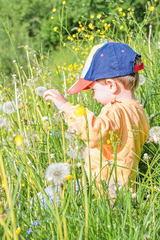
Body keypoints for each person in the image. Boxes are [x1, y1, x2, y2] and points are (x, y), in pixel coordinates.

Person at [43, 41, 150, 200]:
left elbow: (95, 132)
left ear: (112, 86)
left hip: (105, 191)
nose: (93, 96)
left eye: (93, 90)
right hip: (122, 189)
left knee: (44, 198)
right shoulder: (138, 111)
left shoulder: (117, 111)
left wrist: (65, 107)